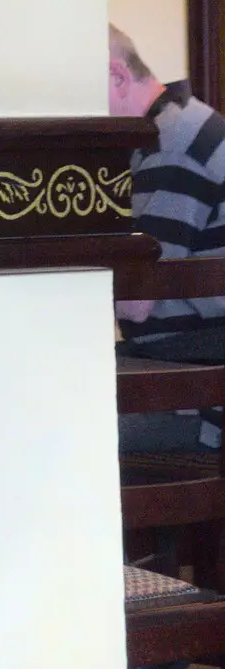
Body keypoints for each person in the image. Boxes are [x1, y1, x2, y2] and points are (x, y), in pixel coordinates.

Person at [110, 23, 225, 452]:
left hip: (198, 402)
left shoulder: (173, 143)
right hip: (182, 375)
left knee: (61, 435)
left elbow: (135, 302)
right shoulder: (174, 127)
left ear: (118, 76)